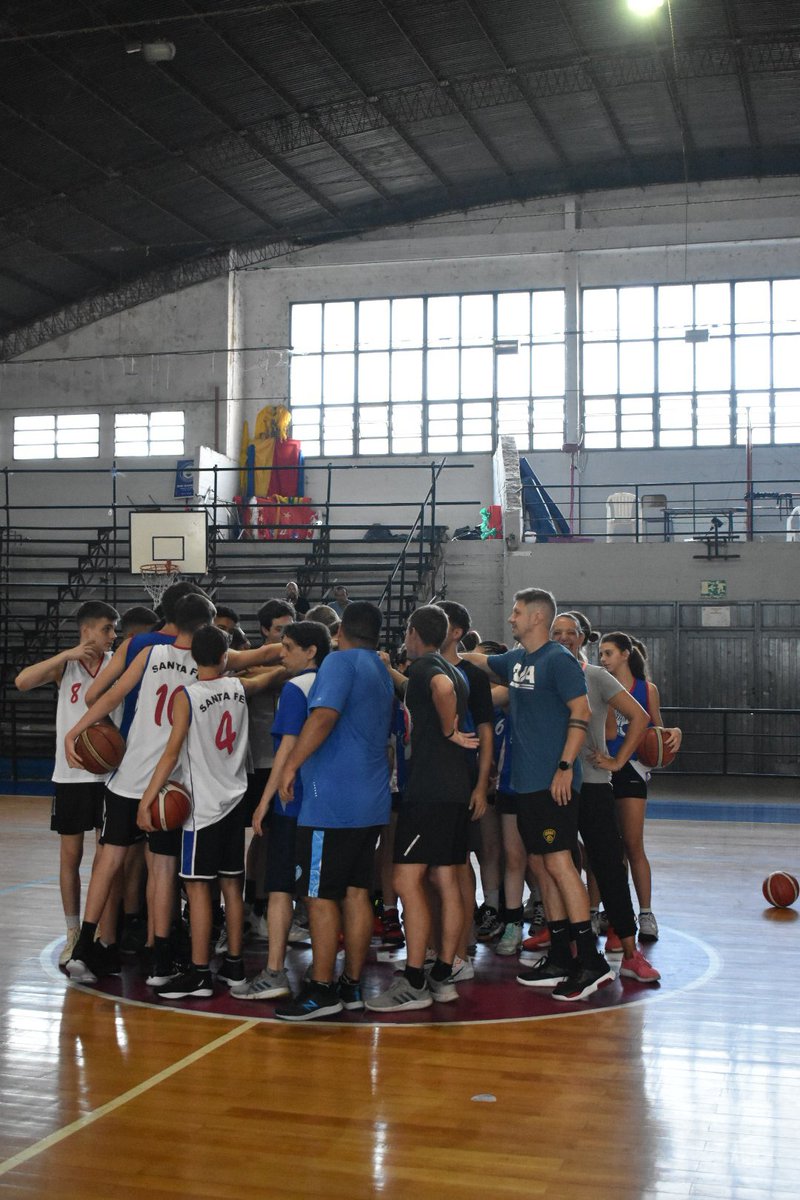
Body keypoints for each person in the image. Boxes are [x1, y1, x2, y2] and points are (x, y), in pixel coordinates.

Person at [463, 588, 613, 1002]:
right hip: (527, 784)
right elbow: (480, 661)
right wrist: (448, 650)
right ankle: (563, 955)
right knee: (544, 867)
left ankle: (591, 962)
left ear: (536, 617)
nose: (510, 618)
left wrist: (566, 767)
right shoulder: (517, 660)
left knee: (561, 865)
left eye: (516, 612)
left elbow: (580, 712)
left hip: (554, 783)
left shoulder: (558, 660)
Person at [62, 593, 218, 985]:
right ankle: (161, 961)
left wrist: (77, 731)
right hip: (169, 784)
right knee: (162, 870)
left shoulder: (147, 655)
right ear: (202, 629)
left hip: (128, 775)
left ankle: (84, 948)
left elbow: (108, 696)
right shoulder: (206, 668)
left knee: (108, 860)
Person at [137, 625, 279, 999]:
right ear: (224, 656)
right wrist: (285, 668)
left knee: (200, 890)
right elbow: (268, 678)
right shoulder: (237, 688)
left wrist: (146, 798)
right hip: (236, 801)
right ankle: (234, 967)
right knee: (232, 887)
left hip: (204, 808)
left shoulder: (187, 695)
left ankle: (200, 973)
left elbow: (171, 753)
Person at [273, 601, 394, 1021]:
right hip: (371, 799)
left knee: (320, 896)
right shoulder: (381, 669)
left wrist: (289, 765)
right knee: (358, 893)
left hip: (333, 802)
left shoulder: (340, 663)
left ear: (340, 630)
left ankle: (322, 989)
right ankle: (351, 984)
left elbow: (323, 716)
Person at [366, 605, 479, 1014]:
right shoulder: (452, 669)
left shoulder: (426, 671)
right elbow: (434, 691)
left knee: (406, 879)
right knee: (446, 878)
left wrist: (449, 730)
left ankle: (413, 979)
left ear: (414, 632)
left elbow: (439, 693)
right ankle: (443, 973)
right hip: (453, 789)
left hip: (428, 791)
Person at [551, 613, 660, 983]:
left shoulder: (595, 676)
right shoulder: (541, 676)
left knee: (610, 867)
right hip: (552, 787)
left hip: (593, 783)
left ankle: (631, 953)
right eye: (557, 633)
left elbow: (639, 716)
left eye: (570, 633)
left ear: (582, 638)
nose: (564, 638)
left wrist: (616, 761)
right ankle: (566, 951)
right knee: (557, 868)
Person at [14, 600, 120, 967]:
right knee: (70, 858)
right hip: (71, 775)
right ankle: (73, 931)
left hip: (110, 775)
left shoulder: (116, 665)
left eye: (114, 629)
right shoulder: (66, 666)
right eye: (107, 628)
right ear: (86, 630)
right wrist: (66, 654)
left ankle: (106, 935)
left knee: (108, 858)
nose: (112, 635)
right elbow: (22, 681)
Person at [234, 621, 332, 1000]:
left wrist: (263, 803)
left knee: (279, 889)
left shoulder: (295, 688)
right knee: (319, 895)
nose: (282, 653)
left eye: (288, 647)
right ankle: (324, 971)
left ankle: (275, 972)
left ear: (311, 651)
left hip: (294, 804)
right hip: (327, 803)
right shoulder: (332, 683)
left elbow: (286, 752)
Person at [597, 631, 682, 942]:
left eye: (607, 653)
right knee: (604, 849)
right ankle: (600, 911)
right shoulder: (596, 683)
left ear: (625, 654)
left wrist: (674, 733)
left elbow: (656, 731)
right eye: (600, 655)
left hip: (632, 768)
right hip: (602, 768)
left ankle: (645, 913)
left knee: (633, 845)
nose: (602, 659)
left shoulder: (647, 689)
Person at [436, 600, 493, 974]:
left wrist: (482, 784)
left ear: (456, 632)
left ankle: (463, 942)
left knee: (459, 862)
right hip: (425, 781)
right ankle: (435, 944)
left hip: (461, 778)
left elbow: (486, 730)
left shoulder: (472, 674)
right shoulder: (423, 669)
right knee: (430, 869)